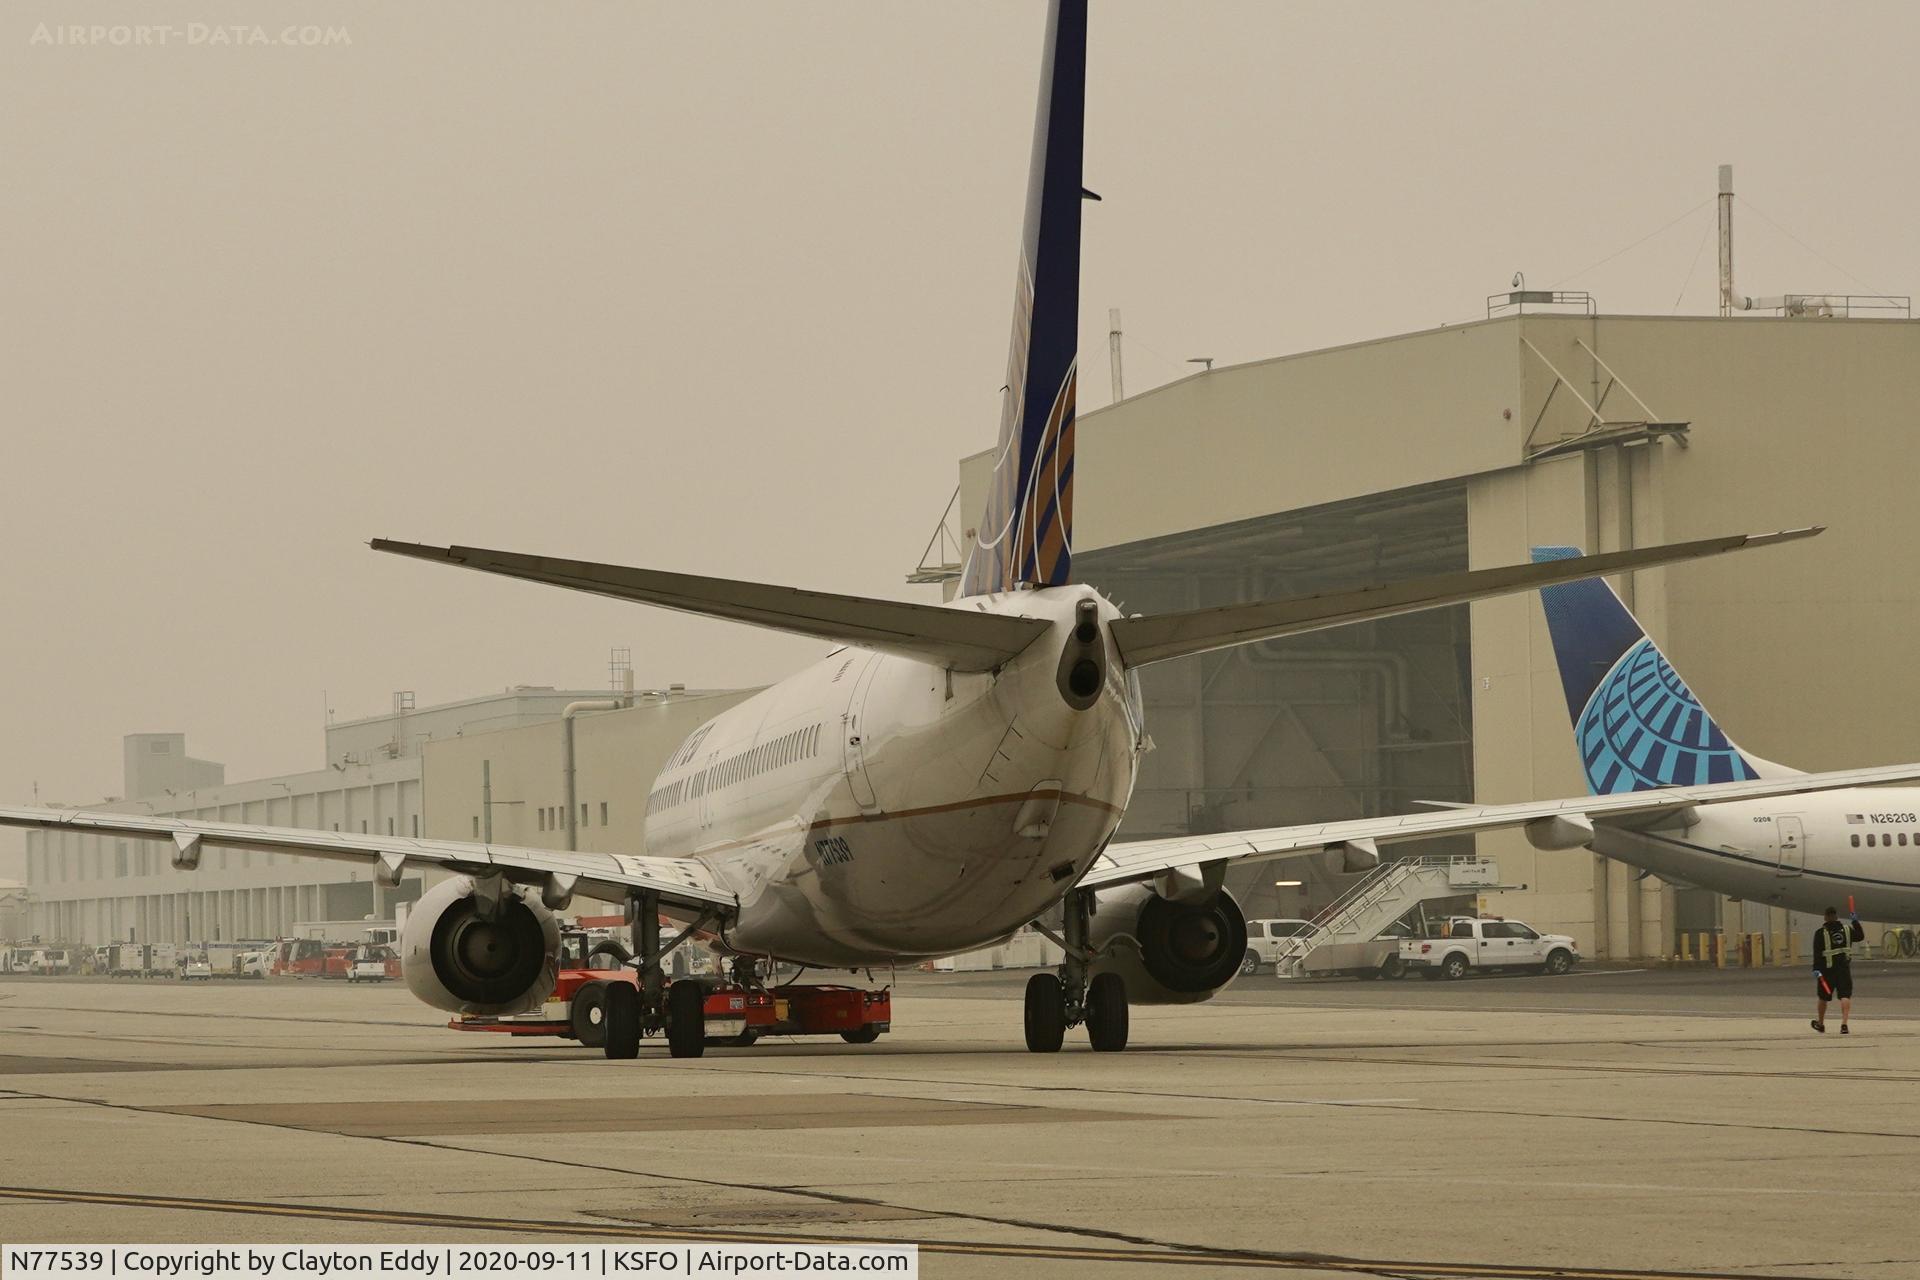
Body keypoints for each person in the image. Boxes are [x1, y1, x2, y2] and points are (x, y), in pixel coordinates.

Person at [1812, 906, 1866, 1034]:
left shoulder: (1820, 933)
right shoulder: (1847, 930)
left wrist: (1816, 969)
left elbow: (1817, 953)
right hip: (1843, 969)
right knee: (1845, 996)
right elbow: (1860, 936)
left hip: (1827, 971)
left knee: (1823, 997)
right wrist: (1855, 921)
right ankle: (1844, 1024)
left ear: (1825, 917)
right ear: (1836, 917)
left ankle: (1820, 1023)